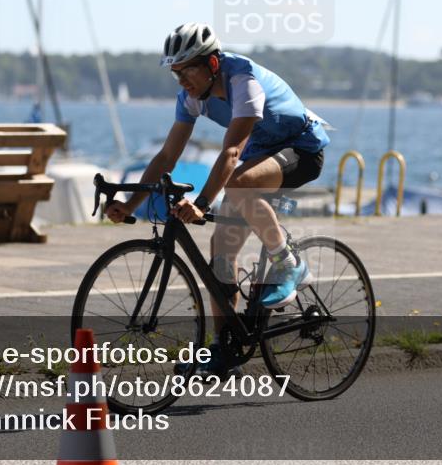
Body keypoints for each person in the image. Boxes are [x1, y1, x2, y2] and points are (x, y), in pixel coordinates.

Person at [105, 22, 329, 378]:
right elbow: (166, 157)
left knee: (238, 184)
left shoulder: (243, 80)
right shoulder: (191, 97)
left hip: (301, 149)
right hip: (262, 153)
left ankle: (288, 262)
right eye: (175, 73)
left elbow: (231, 153)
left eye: (186, 71)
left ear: (211, 65)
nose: (181, 81)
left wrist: (203, 203)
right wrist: (131, 204)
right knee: (221, 248)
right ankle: (227, 348)